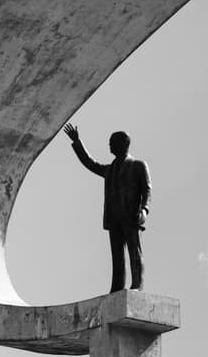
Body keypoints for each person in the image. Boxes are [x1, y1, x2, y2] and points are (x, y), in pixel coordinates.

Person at [63, 123, 151, 292]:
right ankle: (117, 288)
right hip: (114, 217)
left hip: (131, 216)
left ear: (123, 144)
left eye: (112, 142)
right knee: (117, 257)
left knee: (134, 252)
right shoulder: (109, 169)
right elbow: (90, 164)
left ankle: (137, 285)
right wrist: (77, 142)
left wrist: (144, 209)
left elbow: (147, 189)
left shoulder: (138, 165)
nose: (109, 145)